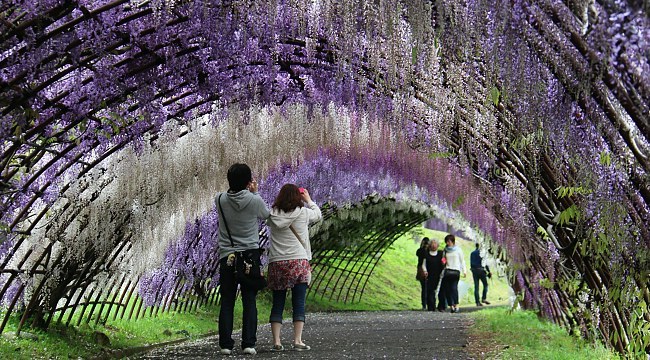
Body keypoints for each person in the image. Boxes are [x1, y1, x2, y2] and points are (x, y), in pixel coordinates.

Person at [216, 163, 270, 355]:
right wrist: (254, 193)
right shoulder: (254, 200)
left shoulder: (220, 199)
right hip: (249, 256)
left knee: (227, 300)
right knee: (249, 299)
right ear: (249, 181)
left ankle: (225, 345)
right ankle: (248, 343)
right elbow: (267, 216)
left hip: (227, 256)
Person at [267, 184, 322, 352]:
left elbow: (262, 215)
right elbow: (318, 215)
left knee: (278, 302)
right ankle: (297, 340)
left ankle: (277, 341)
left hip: (278, 263)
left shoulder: (272, 215)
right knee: (299, 302)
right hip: (298, 261)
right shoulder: (303, 213)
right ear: (298, 198)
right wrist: (309, 200)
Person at [441, 234, 466, 313]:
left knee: (454, 288)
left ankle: (456, 304)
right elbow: (443, 259)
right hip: (447, 270)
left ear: (453, 241)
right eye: (447, 241)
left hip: (456, 271)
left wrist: (464, 271)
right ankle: (451, 305)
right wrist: (443, 261)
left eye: (449, 241)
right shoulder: (445, 250)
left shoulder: (458, 250)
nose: (448, 243)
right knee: (447, 289)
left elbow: (462, 261)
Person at [424, 239, 445, 311]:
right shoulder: (426, 254)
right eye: (432, 244)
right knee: (430, 291)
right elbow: (424, 264)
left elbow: (444, 262)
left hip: (439, 275)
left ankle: (441, 306)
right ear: (430, 245)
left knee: (441, 291)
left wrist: (444, 263)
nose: (433, 245)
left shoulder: (441, 253)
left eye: (435, 244)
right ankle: (431, 306)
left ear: (437, 245)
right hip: (430, 275)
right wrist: (425, 271)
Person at [415, 237, 430, 310]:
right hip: (422, 269)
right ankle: (425, 304)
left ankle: (425, 304)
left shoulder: (420, 250)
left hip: (422, 268)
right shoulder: (423, 251)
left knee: (424, 288)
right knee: (425, 287)